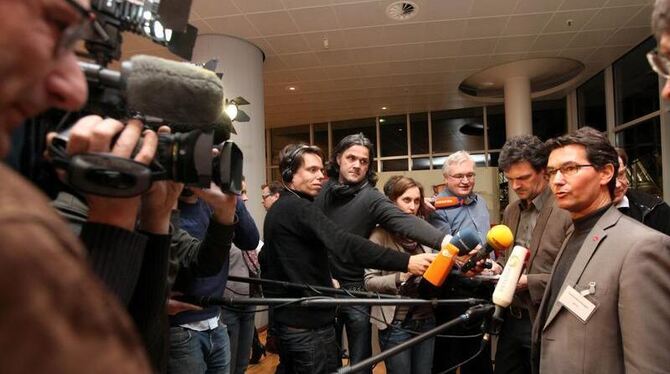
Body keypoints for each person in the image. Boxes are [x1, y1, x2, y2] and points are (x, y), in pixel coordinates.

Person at [0, 0, 176, 371]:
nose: (75, 89)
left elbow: (144, 354)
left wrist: (154, 224)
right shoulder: (16, 225)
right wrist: (111, 223)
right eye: (55, 22)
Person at [262, 143, 436, 374]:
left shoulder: (284, 207)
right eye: (311, 170)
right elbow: (345, 244)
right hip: (307, 329)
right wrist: (406, 262)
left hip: (295, 323)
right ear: (289, 173)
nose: (320, 176)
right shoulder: (298, 207)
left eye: (321, 171)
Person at [531, 127, 670, 373]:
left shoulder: (642, 247)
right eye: (552, 172)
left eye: (570, 168)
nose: (557, 180)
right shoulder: (575, 233)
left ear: (606, 172)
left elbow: (650, 364)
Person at [314, 133, 446, 370]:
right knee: (324, 359)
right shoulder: (322, 191)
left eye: (363, 161)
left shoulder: (370, 197)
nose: (356, 165)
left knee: (361, 361)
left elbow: (404, 221)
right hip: (323, 286)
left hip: (356, 290)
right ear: (337, 159)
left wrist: (446, 241)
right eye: (351, 158)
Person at [494, 136, 572, 374]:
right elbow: (507, 259)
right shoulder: (511, 211)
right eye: (510, 180)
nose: (515, 186)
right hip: (511, 318)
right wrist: (497, 268)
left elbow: (576, 274)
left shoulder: (566, 210)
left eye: (523, 178)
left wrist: (529, 281)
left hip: (546, 319)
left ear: (544, 172)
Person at [169, 181, 257, 374]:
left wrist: (232, 197)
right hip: (178, 327)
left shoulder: (209, 204)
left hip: (215, 320)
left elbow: (250, 239)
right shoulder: (166, 207)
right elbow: (197, 262)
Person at [427, 150, 492, 374]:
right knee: (449, 356)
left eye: (470, 175)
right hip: (453, 290)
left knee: (479, 355)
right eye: (458, 176)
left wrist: (493, 262)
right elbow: (448, 251)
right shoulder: (437, 207)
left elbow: (486, 240)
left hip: (483, 287)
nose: (466, 180)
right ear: (446, 178)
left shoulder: (481, 202)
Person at [364, 176, 436, 374]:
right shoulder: (379, 235)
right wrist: (402, 276)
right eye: (406, 200)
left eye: (416, 201)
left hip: (427, 319)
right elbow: (369, 282)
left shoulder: (424, 233)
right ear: (391, 202)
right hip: (396, 324)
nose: (412, 206)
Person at [221, 178, 264, 374]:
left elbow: (257, 246)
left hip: (249, 302)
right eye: (240, 192)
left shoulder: (244, 224)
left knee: (242, 364)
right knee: (228, 365)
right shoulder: (218, 224)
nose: (245, 198)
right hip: (227, 305)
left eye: (245, 192)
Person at [613, 148, 670, 236]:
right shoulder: (586, 211)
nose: (617, 185)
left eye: (621, 174)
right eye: (610, 178)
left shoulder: (656, 210)